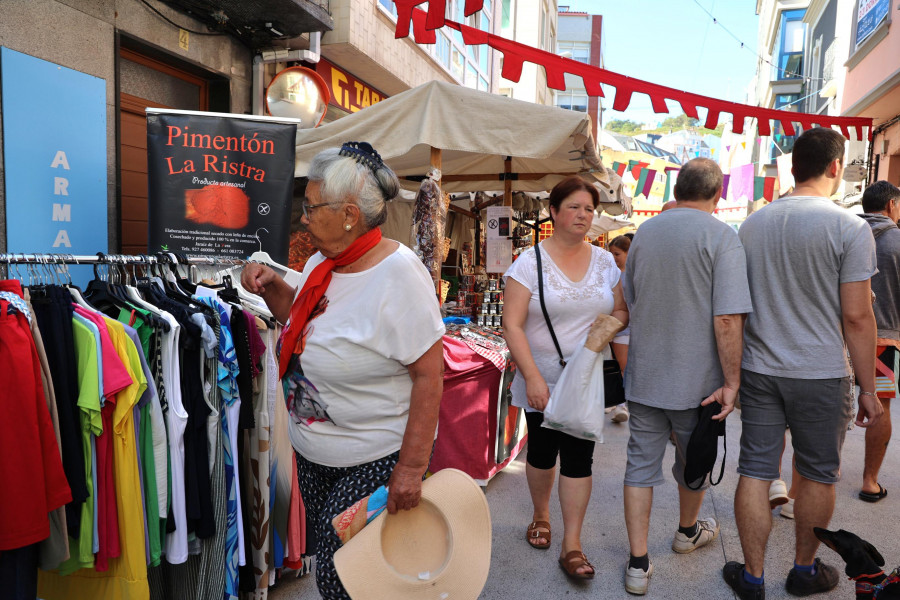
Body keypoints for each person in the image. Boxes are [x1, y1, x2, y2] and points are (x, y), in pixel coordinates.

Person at [240, 142, 445, 600]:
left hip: (374, 460)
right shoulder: (322, 264)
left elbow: (431, 376)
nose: (304, 217)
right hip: (315, 456)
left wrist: (411, 469)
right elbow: (308, 324)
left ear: (350, 213)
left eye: (312, 207)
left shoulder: (399, 275)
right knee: (356, 573)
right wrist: (275, 285)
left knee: (343, 577)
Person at [725, 127, 883, 600]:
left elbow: (737, 306)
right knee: (817, 474)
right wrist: (870, 389)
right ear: (836, 167)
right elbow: (856, 316)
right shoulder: (849, 227)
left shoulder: (752, 224)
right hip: (820, 373)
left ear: (792, 168)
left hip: (760, 368)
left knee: (755, 471)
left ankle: (752, 578)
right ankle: (803, 571)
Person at [621, 158, 752, 596]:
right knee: (693, 461)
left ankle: (638, 563)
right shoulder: (721, 237)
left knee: (640, 466)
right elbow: (728, 319)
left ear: (677, 189)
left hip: (645, 376)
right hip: (699, 383)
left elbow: (631, 300)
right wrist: (732, 382)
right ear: (717, 195)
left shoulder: (644, 235)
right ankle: (686, 531)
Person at [502, 176, 629, 581]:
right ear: (553, 212)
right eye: (574, 207)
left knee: (580, 457)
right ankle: (541, 515)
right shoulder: (528, 263)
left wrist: (600, 337)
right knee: (541, 451)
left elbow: (623, 313)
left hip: (587, 379)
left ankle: (571, 543)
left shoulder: (606, 261)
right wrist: (533, 377)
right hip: (542, 376)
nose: (583, 215)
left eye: (589, 209)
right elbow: (512, 325)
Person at [858, 180, 900, 503]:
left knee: (835, 405)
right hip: (882, 341)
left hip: (838, 336)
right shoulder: (898, 240)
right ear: (891, 206)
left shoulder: (845, 233)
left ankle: (827, 469)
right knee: (879, 407)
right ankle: (870, 481)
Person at [607, 233, 633, 424]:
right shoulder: (610, 275)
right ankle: (620, 404)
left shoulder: (634, 273)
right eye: (612, 254)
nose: (614, 258)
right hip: (620, 330)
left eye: (617, 254)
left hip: (636, 328)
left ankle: (622, 403)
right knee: (623, 368)